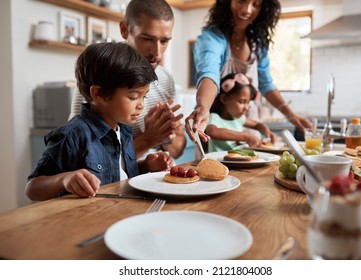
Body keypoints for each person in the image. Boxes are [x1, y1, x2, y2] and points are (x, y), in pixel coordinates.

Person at [26, 43, 174, 201]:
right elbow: (32, 188)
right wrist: (64, 179)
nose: (141, 105)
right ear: (99, 94)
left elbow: (116, 172)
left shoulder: (123, 129)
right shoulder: (73, 135)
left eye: (143, 96)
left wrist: (146, 166)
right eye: (133, 97)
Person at [69, 0, 186, 160]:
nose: (157, 52)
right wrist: (148, 139)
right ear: (124, 30)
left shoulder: (166, 79)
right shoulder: (100, 76)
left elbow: (177, 149)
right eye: (147, 38)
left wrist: (167, 137)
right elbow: (83, 159)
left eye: (164, 41)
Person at [185, 0, 312, 142]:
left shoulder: (256, 43)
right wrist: (203, 107)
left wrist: (291, 115)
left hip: (248, 125)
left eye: (256, 4)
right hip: (215, 133)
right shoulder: (212, 38)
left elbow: (266, 84)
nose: (247, 10)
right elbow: (209, 73)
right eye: (241, 0)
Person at [206, 73, 276, 152]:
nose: (246, 108)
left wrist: (267, 131)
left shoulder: (238, 118)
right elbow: (213, 132)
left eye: (248, 103)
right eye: (242, 102)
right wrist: (246, 136)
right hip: (218, 163)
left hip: (236, 162)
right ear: (224, 99)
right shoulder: (214, 117)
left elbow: (257, 125)